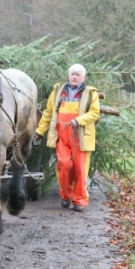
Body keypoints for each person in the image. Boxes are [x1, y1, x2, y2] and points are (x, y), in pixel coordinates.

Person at [35, 64, 100, 212]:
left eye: (78, 74)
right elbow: (48, 112)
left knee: (80, 169)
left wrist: (79, 120)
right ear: (69, 76)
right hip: (62, 137)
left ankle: (79, 201)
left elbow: (95, 113)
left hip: (81, 137)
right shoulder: (58, 90)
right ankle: (65, 196)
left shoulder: (90, 93)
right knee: (63, 165)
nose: (75, 77)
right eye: (72, 74)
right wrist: (39, 131)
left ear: (83, 77)